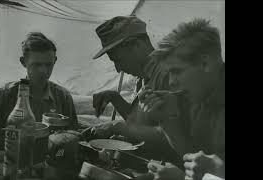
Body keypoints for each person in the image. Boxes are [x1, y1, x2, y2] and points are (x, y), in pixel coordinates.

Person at [91, 16, 185, 167]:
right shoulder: (144, 76)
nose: (118, 68)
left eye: (118, 60)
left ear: (137, 45)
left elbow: (175, 134)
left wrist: (119, 127)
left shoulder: (167, 75)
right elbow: (142, 122)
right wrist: (115, 98)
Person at [138, 18, 225, 180]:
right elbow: (192, 159)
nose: (171, 82)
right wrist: (167, 120)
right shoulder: (199, 99)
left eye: (176, 71)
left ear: (205, 63)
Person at [0, 32, 78, 148]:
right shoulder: (4, 95)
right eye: (37, 65)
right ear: (23, 62)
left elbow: (73, 136)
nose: (44, 71)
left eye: (48, 65)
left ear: (55, 60)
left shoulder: (63, 97)